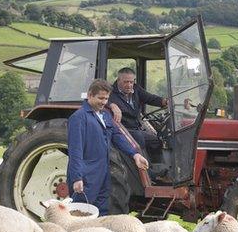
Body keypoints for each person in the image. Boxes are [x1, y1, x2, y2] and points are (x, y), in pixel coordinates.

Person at [68, 79, 149, 215]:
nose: (104, 102)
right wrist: (77, 178)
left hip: (104, 173)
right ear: (90, 96)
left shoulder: (105, 115)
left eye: (106, 98)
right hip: (87, 175)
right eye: (100, 98)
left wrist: (135, 155)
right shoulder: (79, 118)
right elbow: (75, 151)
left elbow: (117, 137)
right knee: (81, 213)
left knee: (102, 212)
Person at [108, 67, 167, 160]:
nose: (129, 85)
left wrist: (166, 102)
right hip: (123, 129)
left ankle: (159, 168)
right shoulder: (110, 92)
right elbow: (100, 100)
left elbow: (151, 98)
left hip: (136, 127)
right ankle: (146, 171)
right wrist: (112, 105)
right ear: (118, 80)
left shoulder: (136, 89)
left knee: (155, 140)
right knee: (139, 138)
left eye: (131, 82)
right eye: (126, 82)